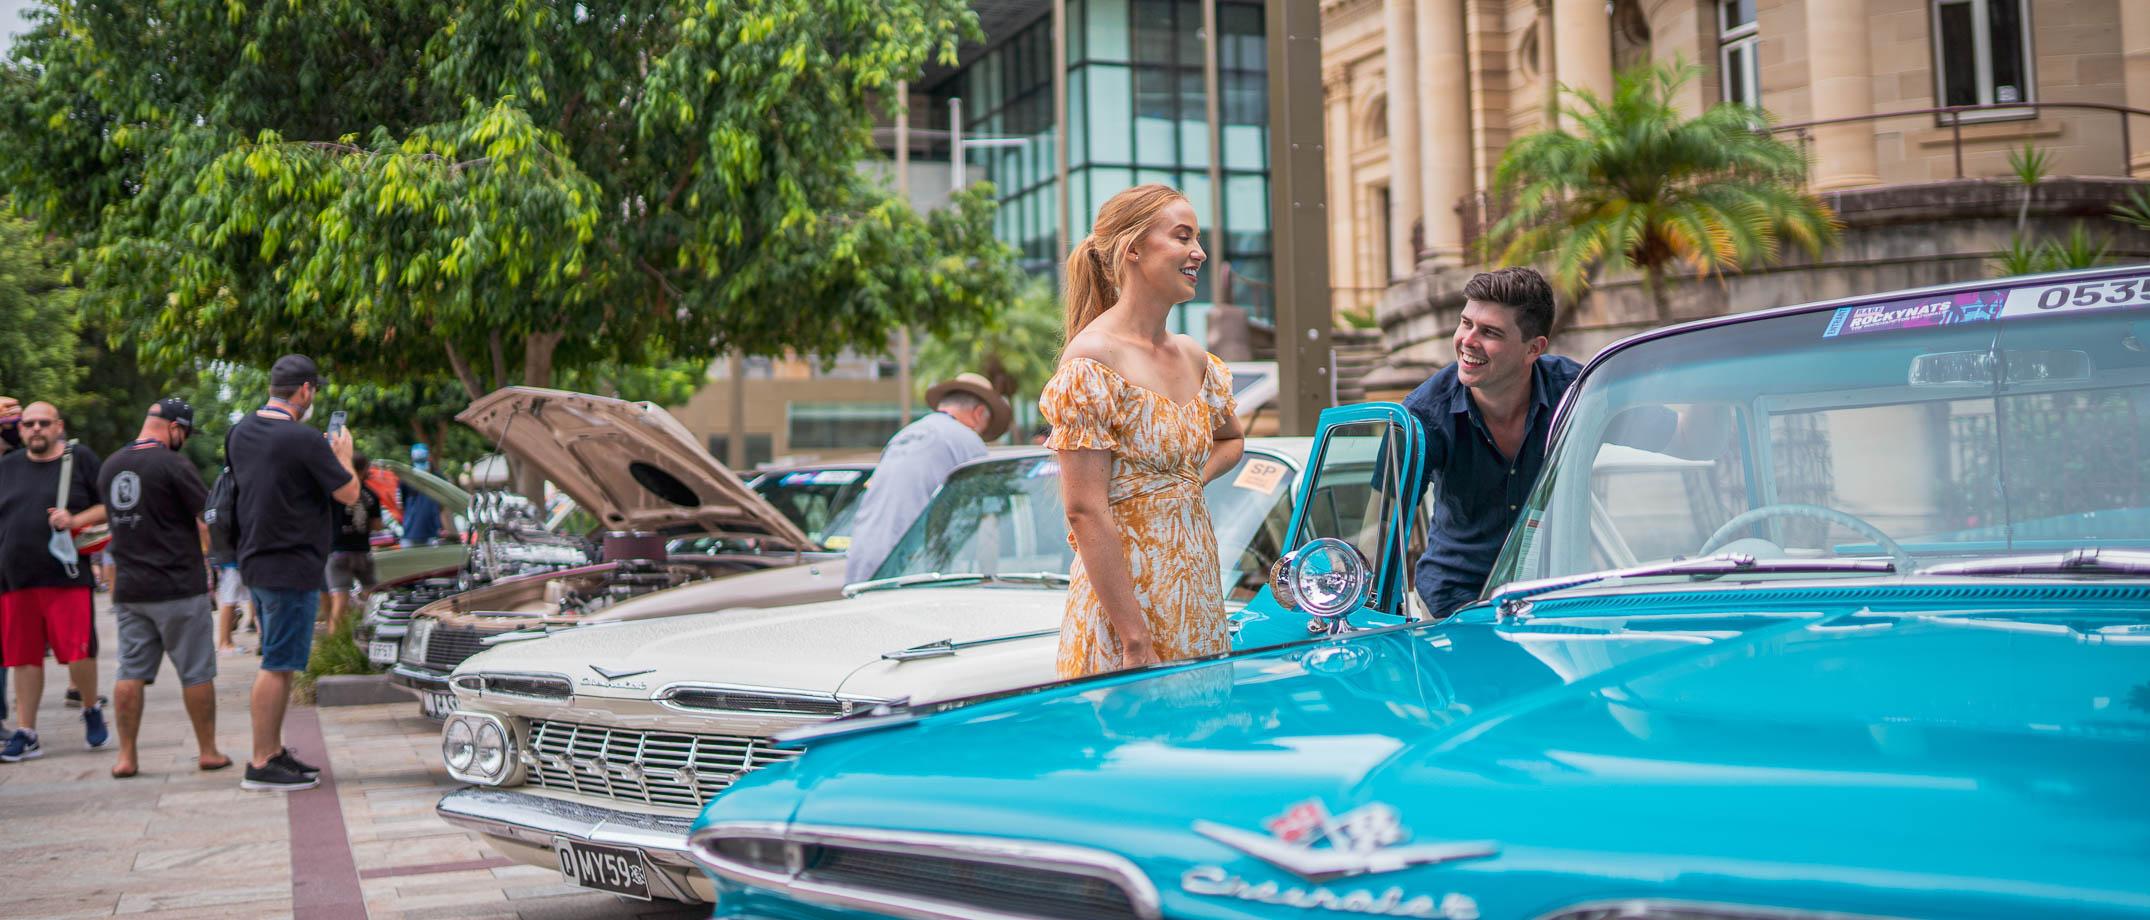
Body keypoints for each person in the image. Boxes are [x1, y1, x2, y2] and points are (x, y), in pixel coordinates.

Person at [1040, 184, 1246, 678]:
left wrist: (1187, 480)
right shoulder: (1092, 360)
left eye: (1197, 238)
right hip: (1126, 615)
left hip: (1196, 597)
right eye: (1182, 237)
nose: (1198, 252)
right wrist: (1135, 641)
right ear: (1132, 249)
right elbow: (1084, 509)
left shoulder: (1195, 356)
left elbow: (1232, 440)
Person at [226, 354, 360, 790]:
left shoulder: (241, 431)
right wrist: (344, 455)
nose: (314, 396)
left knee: (279, 662)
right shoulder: (303, 439)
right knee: (277, 663)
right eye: (314, 389)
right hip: (290, 562)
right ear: (305, 390)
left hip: (257, 559)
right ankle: (262, 761)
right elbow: (348, 493)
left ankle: (274, 752)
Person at [96, 398, 231, 778]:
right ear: (174, 427)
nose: (184, 441)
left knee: (129, 672)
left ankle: (126, 757)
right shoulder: (173, 464)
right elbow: (206, 514)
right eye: (184, 433)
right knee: (197, 672)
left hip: (130, 589)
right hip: (179, 586)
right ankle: (208, 751)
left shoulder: (110, 466)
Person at [0, 401, 111, 761]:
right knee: (23, 658)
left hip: (65, 576)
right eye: (29, 423)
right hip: (15, 579)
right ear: (20, 430)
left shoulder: (79, 459)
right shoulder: (8, 466)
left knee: (79, 650)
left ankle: (90, 708)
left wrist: (74, 519)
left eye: (43, 423)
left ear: (57, 426)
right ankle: (26, 731)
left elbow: (108, 506)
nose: (35, 429)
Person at [841, 374, 1010, 584]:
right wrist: (989, 579)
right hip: (908, 572)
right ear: (979, 413)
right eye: (984, 427)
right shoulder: (969, 441)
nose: (981, 433)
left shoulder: (904, 436)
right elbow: (988, 526)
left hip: (861, 565)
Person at [324, 450, 383, 634]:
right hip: (362, 551)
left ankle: (335, 642)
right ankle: (374, 634)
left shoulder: (335, 491)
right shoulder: (371, 494)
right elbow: (377, 525)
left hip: (337, 550)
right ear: (365, 468)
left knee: (339, 600)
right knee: (372, 596)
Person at [206, 474, 253, 654]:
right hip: (236, 552)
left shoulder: (222, 481)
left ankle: (226, 641)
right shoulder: (236, 479)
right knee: (230, 597)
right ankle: (225, 642)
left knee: (232, 596)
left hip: (224, 550)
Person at [397, 443, 445, 547]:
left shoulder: (437, 478)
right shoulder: (406, 479)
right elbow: (402, 504)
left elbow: (442, 504)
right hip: (410, 533)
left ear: (428, 457)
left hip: (432, 533)